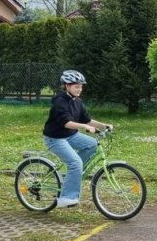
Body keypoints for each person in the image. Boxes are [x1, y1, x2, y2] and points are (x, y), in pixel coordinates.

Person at [42, 70, 114, 208]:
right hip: (55, 138)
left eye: (81, 86)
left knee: (92, 144)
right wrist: (84, 127)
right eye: (76, 86)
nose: (79, 89)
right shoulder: (60, 102)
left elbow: (86, 119)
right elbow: (66, 123)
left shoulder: (77, 101)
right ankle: (67, 198)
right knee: (75, 163)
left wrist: (103, 126)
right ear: (67, 86)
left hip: (70, 135)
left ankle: (73, 175)